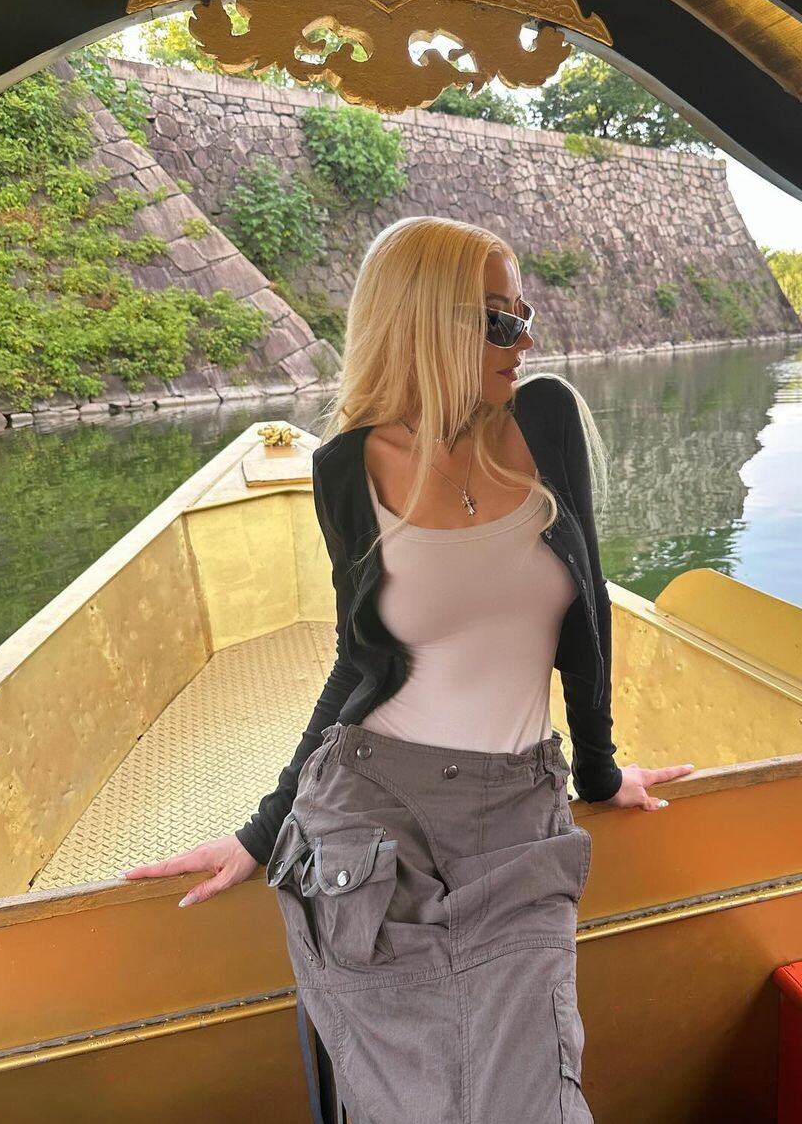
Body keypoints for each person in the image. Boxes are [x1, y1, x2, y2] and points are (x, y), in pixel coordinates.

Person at [121, 215, 696, 1122]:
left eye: (523, 316)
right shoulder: (346, 468)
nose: (525, 341)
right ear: (427, 323)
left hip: (516, 814)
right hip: (370, 810)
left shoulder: (543, 420)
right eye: (500, 321)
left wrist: (598, 771)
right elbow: (358, 663)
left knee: (534, 1101)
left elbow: (587, 622)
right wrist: (261, 832)